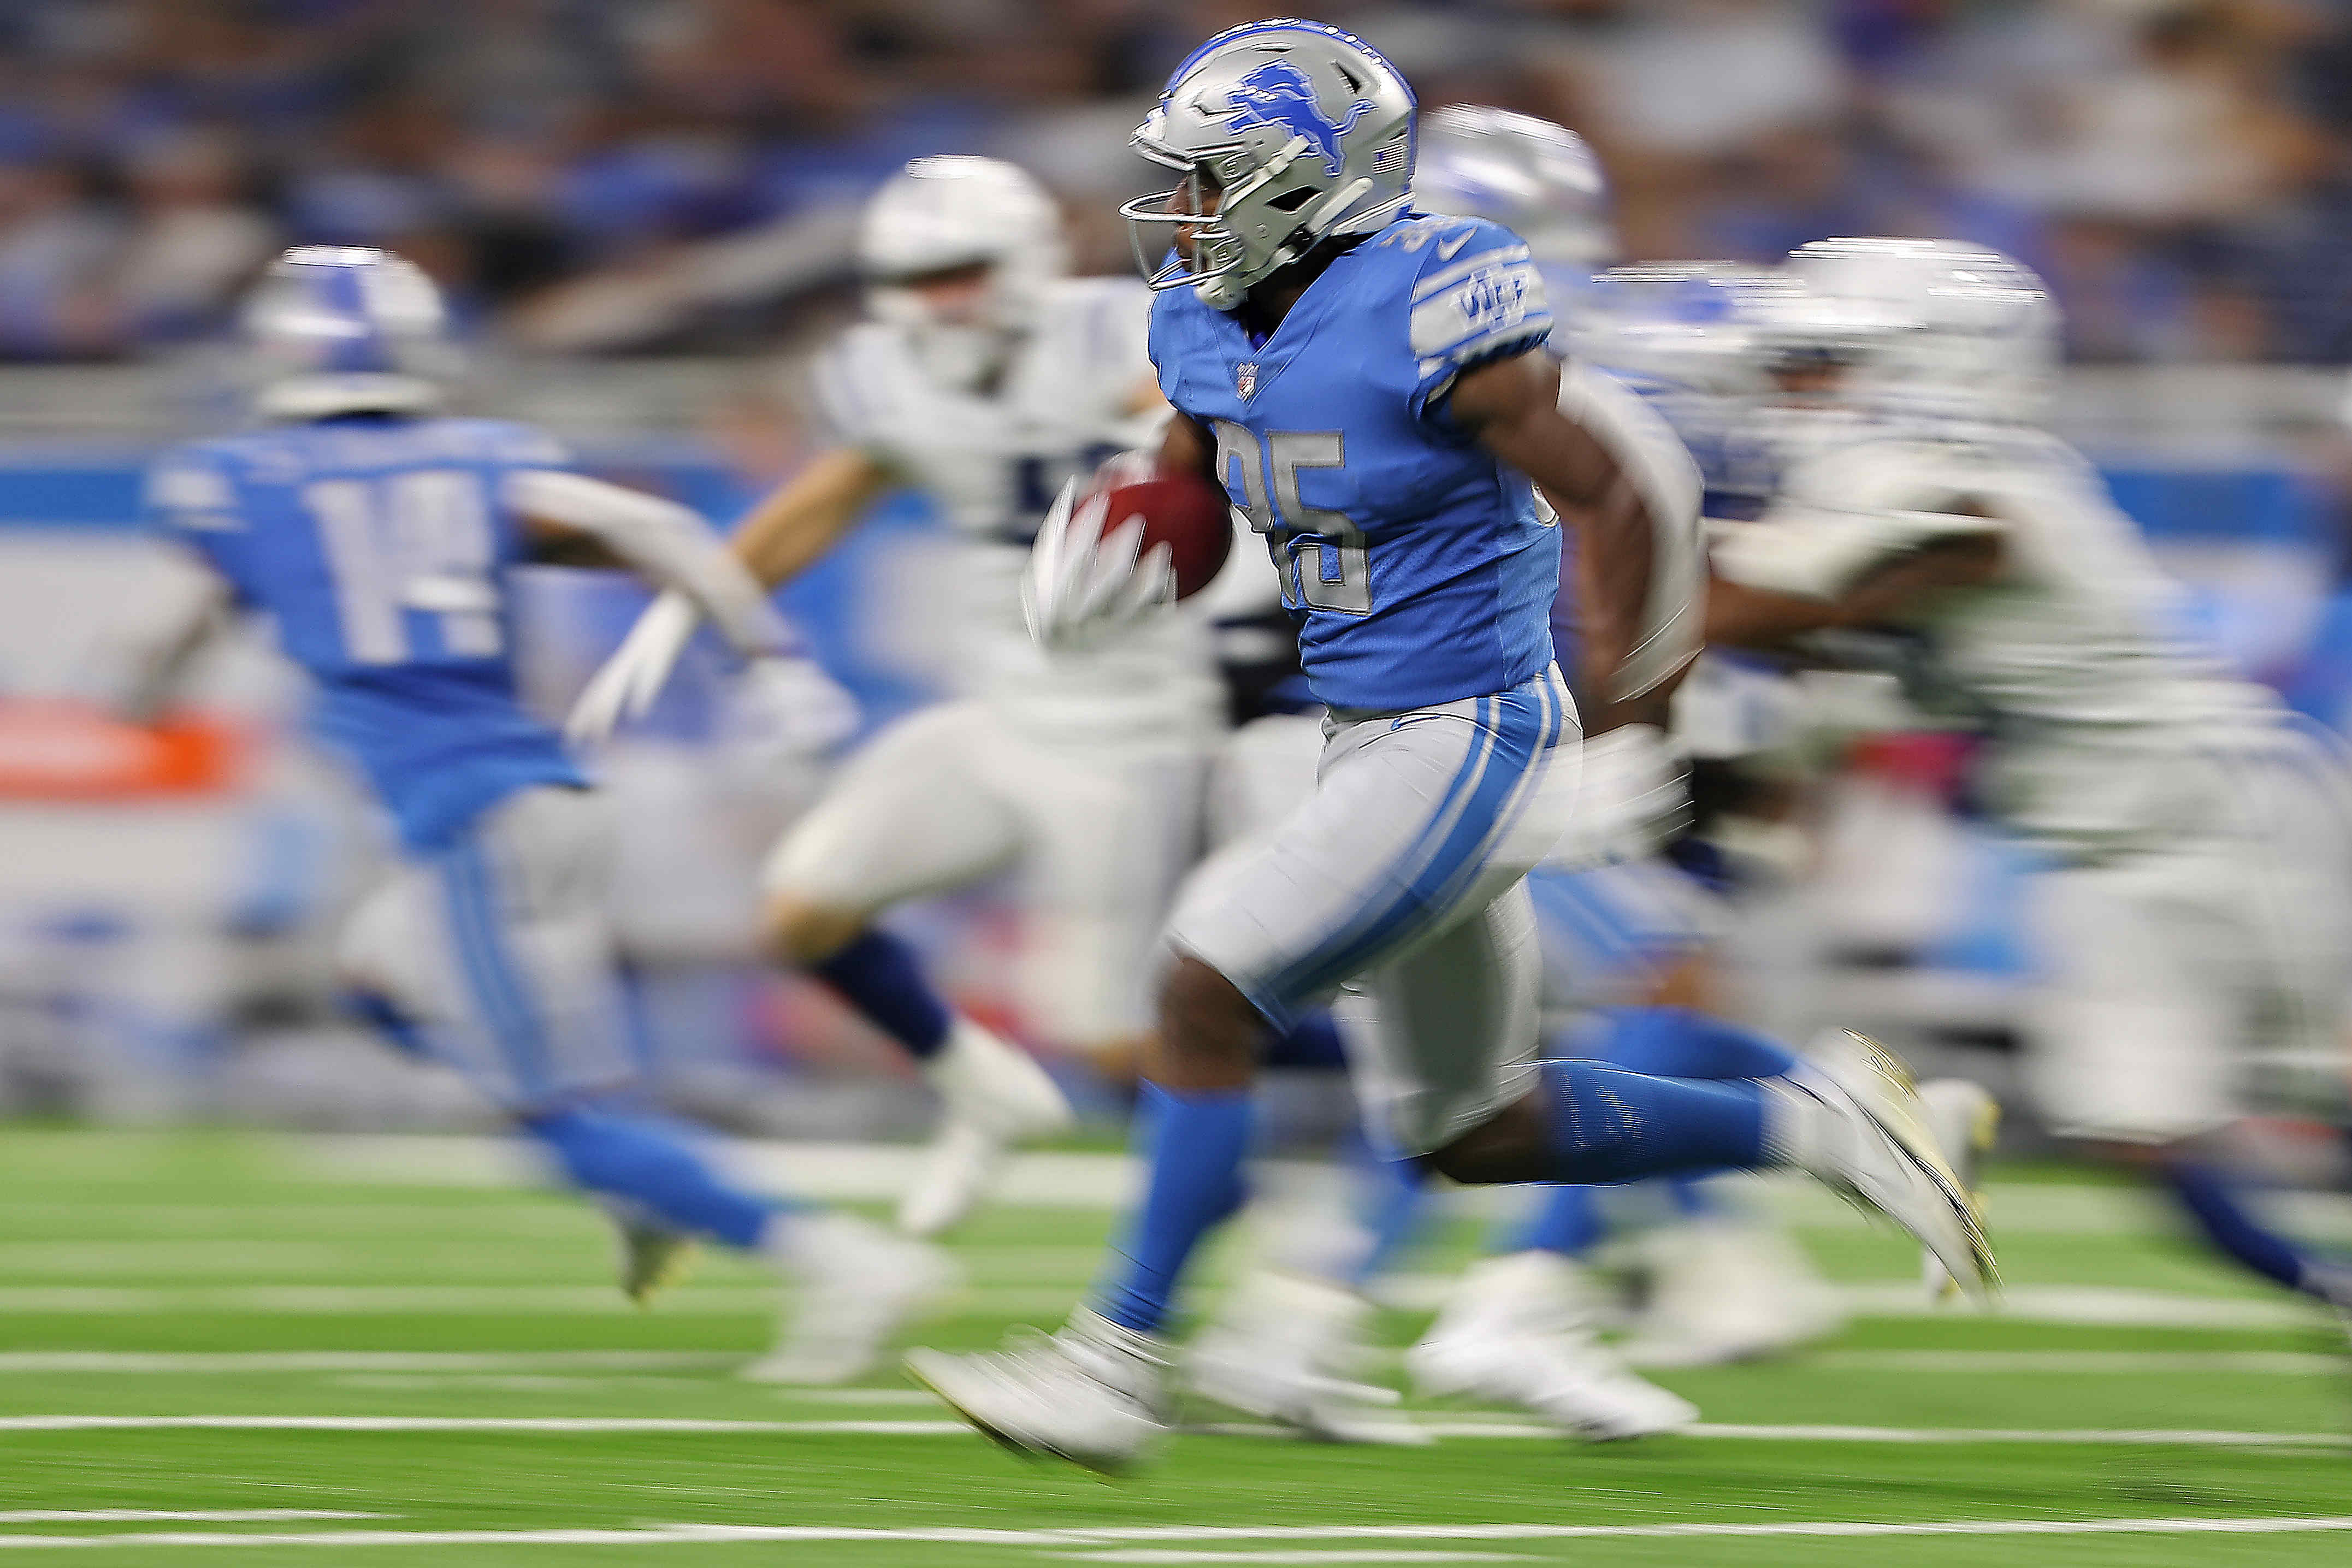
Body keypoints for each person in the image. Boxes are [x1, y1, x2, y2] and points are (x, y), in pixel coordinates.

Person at [902, 20, 1991, 1474]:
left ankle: (1116, 1367)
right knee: (1476, 1128)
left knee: (1201, 993)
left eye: (1210, 181)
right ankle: (1824, 1128)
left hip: (1467, 727)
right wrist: (1128, 542)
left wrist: (1634, 730)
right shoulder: (1202, 318)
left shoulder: (1428, 301)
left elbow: (1626, 496)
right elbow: (1195, 472)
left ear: (1310, 185)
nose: (1178, 211)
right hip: (1370, 732)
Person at [126, 246, 952, 1384]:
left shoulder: (238, 481)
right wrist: (769, 665)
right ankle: (642, 1171)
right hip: (538, 803)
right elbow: (658, 532)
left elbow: (171, 635)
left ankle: (838, 1256)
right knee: (376, 981)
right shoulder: (477, 461)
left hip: (474, 823)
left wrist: (147, 676)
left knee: (556, 1112)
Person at [568, 156, 1228, 1238]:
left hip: (1137, 733)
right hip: (997, 711)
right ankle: (978, 1084)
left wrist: (1174, 416)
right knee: (804, 908)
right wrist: (693, 604)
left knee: (1119, 1044)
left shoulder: (1123, 330)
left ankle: (1299, 1216)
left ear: (1022, 261)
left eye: (961, 271)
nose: (939, 300)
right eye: (917, 278)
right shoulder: (887, 373)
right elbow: (831, 493)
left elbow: (1220, 414)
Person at [1713, 235, 2352, 1313]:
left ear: (1932, 363)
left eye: (1820, 364)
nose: (1795, 395)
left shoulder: (1981, 494)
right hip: (2102, 853)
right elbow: (1800, 657)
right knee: (2130, 1128)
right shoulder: (1906, 499)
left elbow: (1748, 610)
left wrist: (1585, 549)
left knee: (2322, 1080)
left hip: (2219, 817)